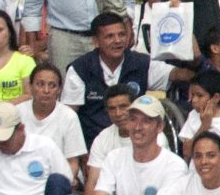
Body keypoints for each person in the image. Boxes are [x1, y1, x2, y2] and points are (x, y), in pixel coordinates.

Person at [60, 12, 170, 141]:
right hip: (93, 143)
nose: (117, 41)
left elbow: (183, 74)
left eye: (121, 34)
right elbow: (68, 116)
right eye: (110, 36)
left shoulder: (142, 63)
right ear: (95, 41)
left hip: (136, 139)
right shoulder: (80, 68)